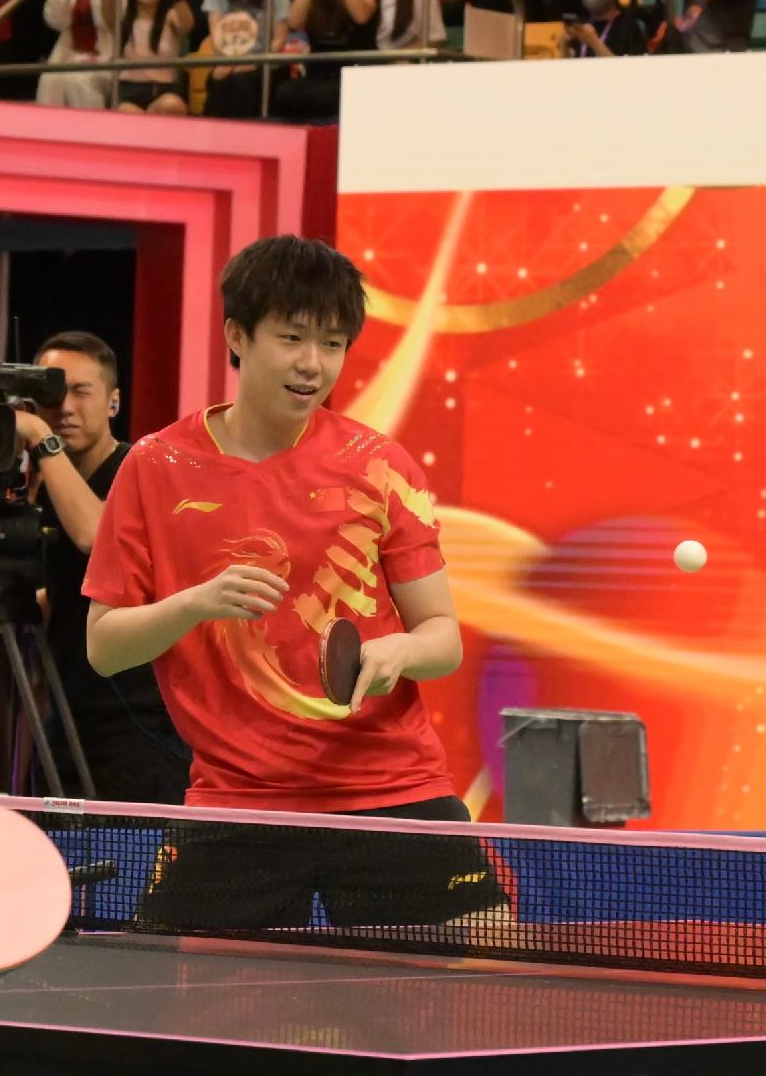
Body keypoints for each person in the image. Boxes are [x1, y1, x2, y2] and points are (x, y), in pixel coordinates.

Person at [81, 235, 483, 928]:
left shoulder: (380, 465)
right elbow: (104, 648)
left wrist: (402, 652)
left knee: (492, 980)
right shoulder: (154, 465)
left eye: (332, 344)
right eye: (292, 337)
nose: (313, 364)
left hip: (391, 789)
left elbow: (442, 637)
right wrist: (194, 604)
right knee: (173, 1011)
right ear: (238, 336)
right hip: (240, 802)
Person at [24, 328, 184, 803]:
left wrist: (39, 439)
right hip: (66, 718)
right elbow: (63, 592)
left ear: (113, 403)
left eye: (81, 391)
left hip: (137, 725)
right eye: (52, 391)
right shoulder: (52, 483)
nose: (65, 406)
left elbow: (96, 536)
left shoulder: (141, 468)